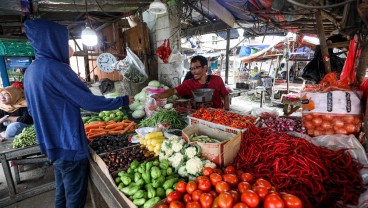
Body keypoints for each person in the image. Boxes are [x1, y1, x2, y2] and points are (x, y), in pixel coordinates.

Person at [24, 19, 134, 208]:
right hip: (68, 144)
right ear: (52, 41)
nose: (65, 47)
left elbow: (32, 110)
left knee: (63, 192)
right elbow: (89, 102)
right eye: (62, 41)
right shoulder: (57, 69)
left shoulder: (31, 70)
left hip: (52, 144)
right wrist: (122, 100)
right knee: (75, 198)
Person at [153, 55, 230, 110]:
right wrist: (159, 96)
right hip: (200, 116)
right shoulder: (189, 83)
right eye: (191, 69)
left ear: (205, 67)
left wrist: (226, 110)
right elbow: (173, 90)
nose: (193, 71)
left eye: (196, 68)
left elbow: (226, 96)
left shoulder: (217, 80)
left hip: (217, 115)